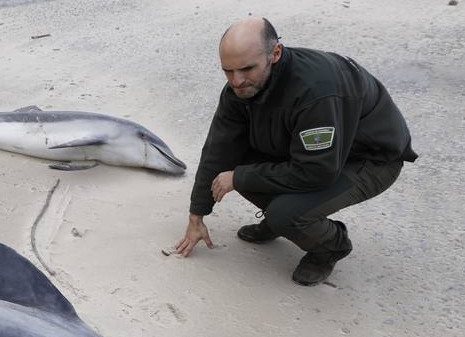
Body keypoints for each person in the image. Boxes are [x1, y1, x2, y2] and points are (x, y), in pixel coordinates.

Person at [174, 18, 417, 285]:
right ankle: (282, 219)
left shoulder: (316, 91)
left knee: (278, 207)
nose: (237, 81)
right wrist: (197, 215)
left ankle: (330, 246)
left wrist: (240, 178)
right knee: (235, 164)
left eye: (246, 69)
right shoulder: (241, 87)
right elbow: (218, 149)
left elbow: (317, 171)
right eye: (227, 71)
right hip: (311, 154)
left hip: (370, 159)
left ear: (275, 53)